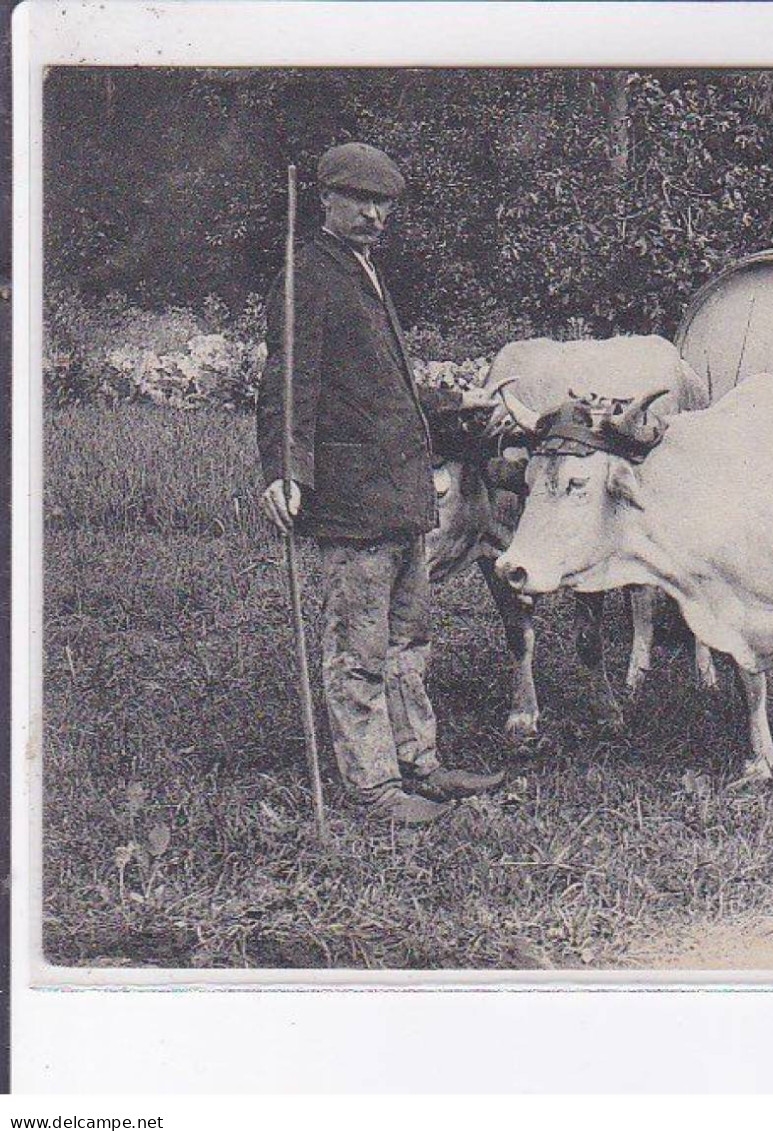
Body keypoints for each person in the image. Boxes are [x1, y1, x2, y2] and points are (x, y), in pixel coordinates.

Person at [257, 142, 508, 824]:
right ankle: (373, 788)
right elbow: (289, 383)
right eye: (361, 201)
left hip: (399, 497)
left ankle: (419, 766)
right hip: (349, 501)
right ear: (326, 202)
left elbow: (382, 390)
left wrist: (454, 413)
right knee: (359, 649)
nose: (374, 214)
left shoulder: (364, 270)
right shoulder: (307, 273)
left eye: (383, 204)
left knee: (408, 641)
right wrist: (284, 471)